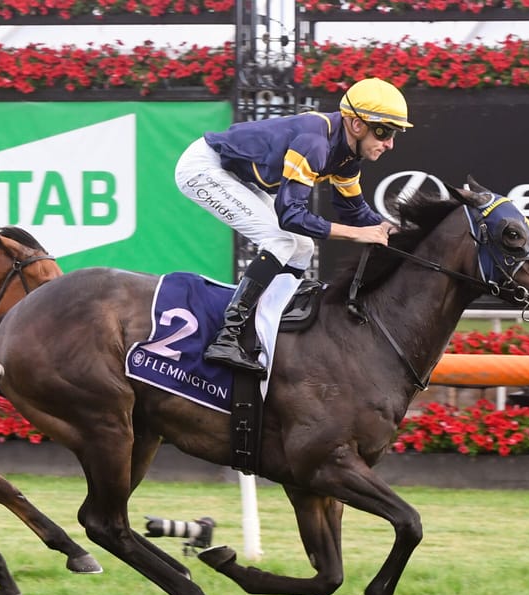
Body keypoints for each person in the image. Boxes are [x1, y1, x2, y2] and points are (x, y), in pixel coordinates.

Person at [174, 77, 412, 374]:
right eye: (384, 132)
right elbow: (290, 215)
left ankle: (272, 330)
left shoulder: (348, 157)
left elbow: (353, 211)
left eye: (394, 134)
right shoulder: (314, 142)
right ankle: (228, 336)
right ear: (356, 124)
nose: (389, 143)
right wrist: (357, 234)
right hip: (204, 168)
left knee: (302, 247)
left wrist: (401, 234)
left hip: (235, 175)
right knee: (283, 240)